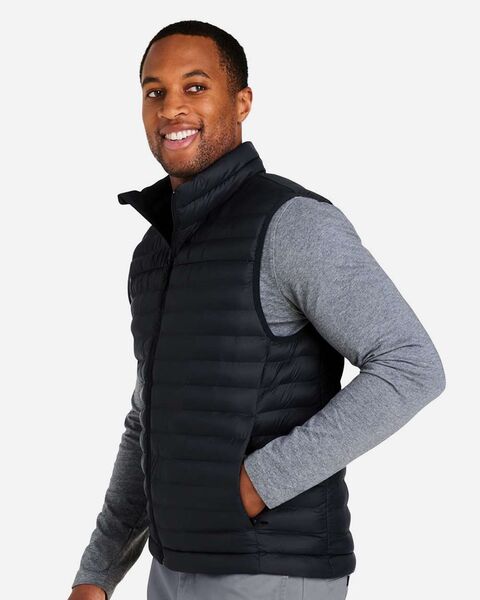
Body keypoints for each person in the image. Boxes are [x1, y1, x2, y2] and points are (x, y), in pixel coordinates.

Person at [69, 20, 446, 600]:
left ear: (242, 102)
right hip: (170, 567)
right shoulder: (152, 253)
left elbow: (411, 365)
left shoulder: (292, 222)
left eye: (196, 87)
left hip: (271, 571)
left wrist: (254, 485)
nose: (171, 107)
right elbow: (149, 416)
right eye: (154, 91)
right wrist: (98, 572)